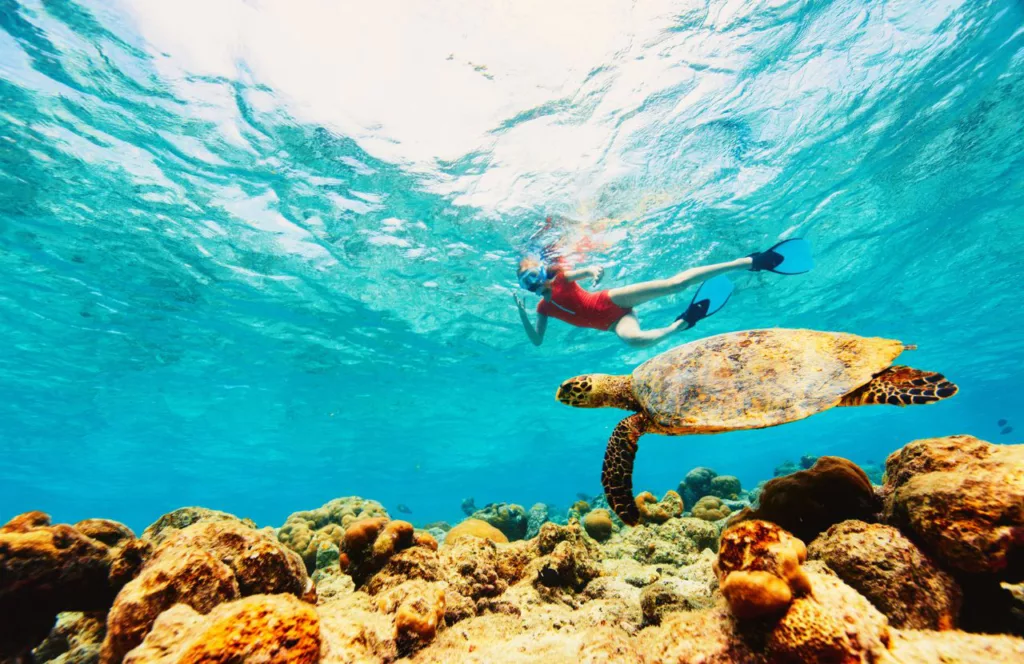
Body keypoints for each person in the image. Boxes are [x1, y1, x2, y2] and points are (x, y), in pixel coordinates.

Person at [513, 238, 811, 348]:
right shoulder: (542, 310)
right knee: (636, 342)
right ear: (527, 288)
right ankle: (682, 323)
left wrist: (593, 272)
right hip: (614, 323)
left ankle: (750, 261)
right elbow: (537, 341)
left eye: (534, 275)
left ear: (542, 271)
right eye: (528, 282)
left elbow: (586, 272)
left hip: (612, 300)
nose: (535, 283)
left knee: (673, 284)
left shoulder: (563, 278)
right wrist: (523, 314)